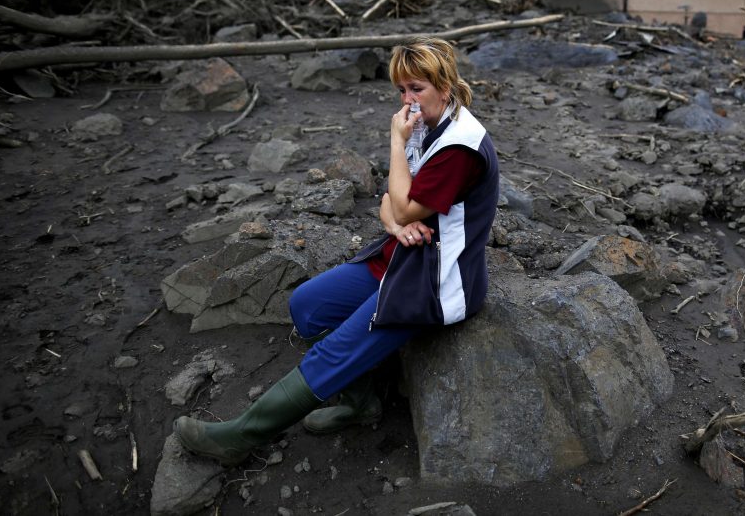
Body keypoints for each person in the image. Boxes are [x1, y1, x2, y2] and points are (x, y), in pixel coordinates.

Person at [173, 37, 500, 465]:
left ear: (444, 84)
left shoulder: (459, 145)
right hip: (404, 253)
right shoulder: (432, 124)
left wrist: (395, 144)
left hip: (437, 279)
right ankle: (361, 402)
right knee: (308, 305)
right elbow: (389, 205)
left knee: (334, 350)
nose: (407, 101)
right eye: (401, 90)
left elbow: (400, 201)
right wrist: (393, 223)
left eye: (416, 88)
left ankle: (240, 436)